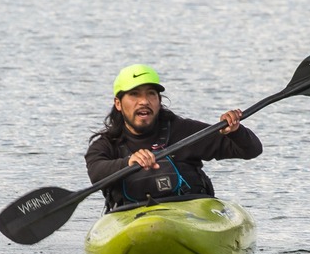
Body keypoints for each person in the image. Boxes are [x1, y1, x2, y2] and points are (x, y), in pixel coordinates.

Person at [86, 64, 262, 211]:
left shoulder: (184, 131)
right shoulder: (107, 144)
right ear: (118, 103)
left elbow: (251, 150)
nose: (144, 101)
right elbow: (95, 172)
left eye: (151, 93)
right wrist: (128, 163)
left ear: (159, 100)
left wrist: (235, 131)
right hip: (131, 221)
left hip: (191, 216)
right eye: (134, 94)